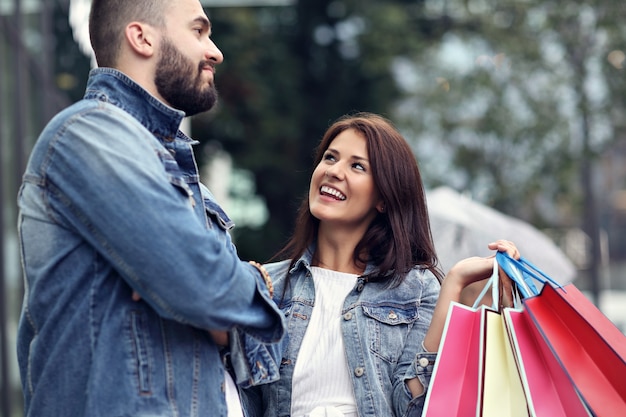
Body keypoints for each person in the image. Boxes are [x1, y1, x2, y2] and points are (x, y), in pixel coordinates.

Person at [16, 1, 284, 416]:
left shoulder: (174, 170)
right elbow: (204, 284)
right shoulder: (87, 135)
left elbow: (209, 292)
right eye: (198, 32)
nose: (215, 51)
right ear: (142, 38)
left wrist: (184, 275)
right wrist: (210, 278)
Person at [240, 112, 519, 417]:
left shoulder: (415, 289)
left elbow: (412, 408)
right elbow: (243, 403)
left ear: (383, 199)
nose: (334, 171)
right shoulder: (265, 285)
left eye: (357, 166)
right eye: (330, 158)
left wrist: (454, 282)